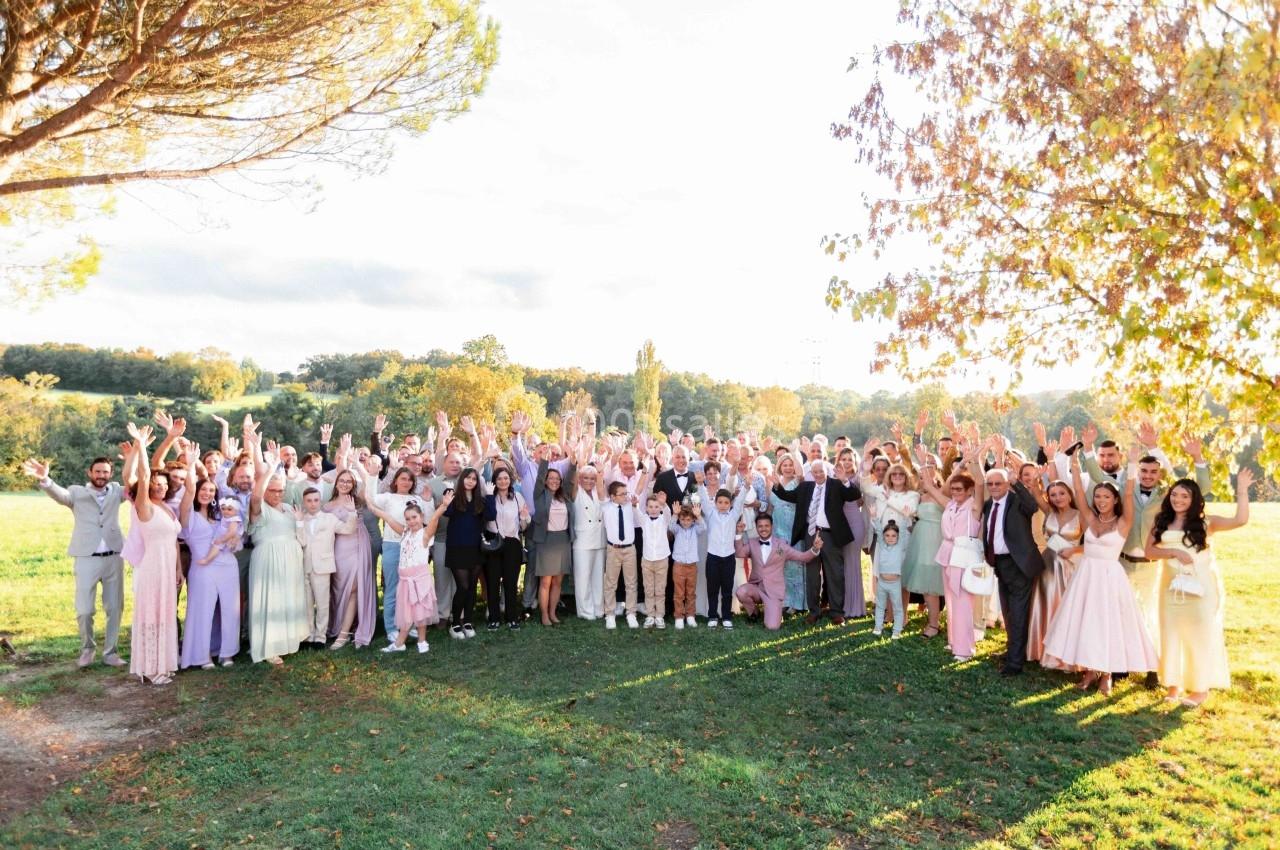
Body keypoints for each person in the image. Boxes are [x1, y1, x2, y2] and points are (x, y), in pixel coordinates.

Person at [1041, 449, 1158, 694]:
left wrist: (1134, 463)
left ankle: (1107, 675)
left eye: (1106, 496)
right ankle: (1089, 672)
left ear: (1114, 500)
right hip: (1086, 576)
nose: (1101, 500)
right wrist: (1074, 463)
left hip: (1109, 578)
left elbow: (1128, 491)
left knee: (1108, 623)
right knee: (1087, 622)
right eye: (1098, 497)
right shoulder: (1091, 519)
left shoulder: (1123, 522)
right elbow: (1078, 493)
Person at [1145, 470, 1252, 707]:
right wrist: (1172, 551)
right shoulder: (1161, 520)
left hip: (1201, 587)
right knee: (1171, 633)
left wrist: (1242, 489)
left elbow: (1240, 520)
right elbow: (1149, 552)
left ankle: (1200, 688)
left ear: (1194, 500)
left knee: (1199, 635)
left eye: (1184, 496)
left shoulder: (1207, 522)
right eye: (1175, 495)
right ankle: (1174, 685)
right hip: (1170, 587)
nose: (1178, 500)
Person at [23, 454, 127, 669]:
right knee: (84, 609)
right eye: (97, 471)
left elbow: (135, 483)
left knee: (115, 607)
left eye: (105, 472)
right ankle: (87, 649)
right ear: (90, 473)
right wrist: (46, 479)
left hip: (114, 557)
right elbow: (60, 495)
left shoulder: (117, 490)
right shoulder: (77, 492)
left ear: (111, 474)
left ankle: (111, 653)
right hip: (86, 557)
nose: (101, 475)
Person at [974, 437, 1046, 677]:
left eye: (998, 483)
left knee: (1018, 613)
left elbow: (1033, 506)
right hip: (1000, 564)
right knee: (1007, 612)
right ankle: (1012, 651)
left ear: (1007, 485)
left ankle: (1015, 663)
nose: (994, 487)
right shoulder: (987, 505)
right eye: (991, 484)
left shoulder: (1017, 501)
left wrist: (1017, 480)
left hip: (1019, 564)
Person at [244, 424, 309, 666]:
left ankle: (287, 640)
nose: (277, 494)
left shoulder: (288, 509)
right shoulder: (260, 510)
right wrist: (268, 464)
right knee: (269, 599)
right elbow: (256, 496)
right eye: (273, 490)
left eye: (281, 491)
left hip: (290, 558)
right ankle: (269, 646)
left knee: (286, 598)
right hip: (268, 558)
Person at [770, 458, 863, 626]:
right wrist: (777, 486)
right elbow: (788, 496)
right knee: (812, 574)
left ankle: (836, 612)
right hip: (811, 534)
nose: (819, 474)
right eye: (815, 472)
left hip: (831, 535)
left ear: (826, 472)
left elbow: (854, 495)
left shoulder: (835, 485)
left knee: (835, 573)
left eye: (821, 471)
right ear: (811, 474)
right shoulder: (806, 487)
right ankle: (814, 611)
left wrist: (844, 480)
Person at [122, 422, 181, 684]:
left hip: (169, 566)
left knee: (166, 613)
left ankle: (164, 664)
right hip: (152, 567)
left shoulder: (168, 509)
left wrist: (179, 569)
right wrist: (140, 447)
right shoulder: (143, 506)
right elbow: (140, 477)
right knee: (152, 613)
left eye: (163, 483)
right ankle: (150, 668)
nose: (160, 486)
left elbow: (175, 541)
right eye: (156, 483)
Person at [178, 447, 241, 669]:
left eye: (211, 491)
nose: (207, 493)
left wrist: (234, 541)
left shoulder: (219, 515)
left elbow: (233, 534)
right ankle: (202, 655)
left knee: (229, 610)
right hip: (202, 568)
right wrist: (192, 466)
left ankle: (227, 652)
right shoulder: (189, 516)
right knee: (202, 611)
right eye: (203, 490)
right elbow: (187, 494)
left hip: (227, 566)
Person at [374, 496, 451, 653]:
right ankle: (400, 642)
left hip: (419, 580)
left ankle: (421, 641)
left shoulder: (425, 535)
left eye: (414, 517)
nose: (411, 521)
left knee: (420, 612)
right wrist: (370, 504)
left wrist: (443, 505)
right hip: (405, 580)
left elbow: (435, 518)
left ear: (421, 517)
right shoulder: (404, 533)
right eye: (408, 519)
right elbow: (387, 518)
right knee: (407, 611)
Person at [925, 453, 983, 661]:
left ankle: (965, 649)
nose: (955, 492)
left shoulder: (974, 507)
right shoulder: (950, 504)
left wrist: (975, 459)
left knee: (963, 603)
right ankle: (954, 641)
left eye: (960, 489)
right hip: (947, 553)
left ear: (969, 491)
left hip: (964, 556)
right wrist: (925, 461)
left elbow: (981, 483)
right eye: (953, 489)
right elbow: (930, 487)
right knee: (951, 600)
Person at [1026, 478, 1083, 667]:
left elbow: (1092, 541)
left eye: (1062, 493)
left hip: (1069, 567)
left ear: (1069, 495)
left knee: (1064, 609)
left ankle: (1064, 658)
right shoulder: (1049, 512)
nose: (1058, 497)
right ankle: (1042, 652)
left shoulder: (1081, 515)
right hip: (1048, 566)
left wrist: (1075, 550)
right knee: (1046, 605)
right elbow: (1035, 493)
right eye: (1053, 495)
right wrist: (1036, 482)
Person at [364, 465, 423, 645]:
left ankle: (409, 625)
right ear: (395, 480)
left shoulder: (416, 499)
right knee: (392, 588)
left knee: (411, 588)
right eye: (403, 478)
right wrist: (372, 476)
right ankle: (391, 627)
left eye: (409, 479)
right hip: (392, 545)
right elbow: (371, 498)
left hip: (413, 548)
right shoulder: (388, 497)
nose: (406, 482)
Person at [734, 514, 821, 630]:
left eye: (766, 526)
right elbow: (739, 553)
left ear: (772, 527)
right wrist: (739, 534)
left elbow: (803, 557)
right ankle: (753, 612)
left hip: (773, 592)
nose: (763, 529)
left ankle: (774, 611)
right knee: (741, 592)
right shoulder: (752, 543)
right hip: (757, 587)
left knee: (772, 627)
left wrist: (815, 548)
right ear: (756, 527)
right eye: (760, 526)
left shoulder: (781, 545)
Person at [297, 487, 358, 646]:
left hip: (323, 565)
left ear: (320, 501)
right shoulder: (300, 519)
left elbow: (348, 529)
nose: (312, 504)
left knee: (323, 603)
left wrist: (352, 513)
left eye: (316, 500)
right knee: (306, 603)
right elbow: (301, 541)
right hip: (304, 565)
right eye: (309, 501)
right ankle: (308, 634)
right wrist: (298, 523)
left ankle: (320, 636)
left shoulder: (329, 518)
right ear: (304, 502)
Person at [325, 468, 376, 650]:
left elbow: (368, 481)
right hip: (338, 548)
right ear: (336, 482)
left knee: (354, 587)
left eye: (349, 481)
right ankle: (336, 625)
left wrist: (356, 463)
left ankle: (344, 633)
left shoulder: (358, 500)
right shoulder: (327, 505)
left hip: (358, 544)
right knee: (338, 588)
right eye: (342, 480)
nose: (345, 484)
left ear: (353, 484)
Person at [443, 467, 494, 639]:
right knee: (463, 586)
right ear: (462, 479)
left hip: (475, 548)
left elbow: (491, 515)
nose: (470, 481)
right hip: (457, 548)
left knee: (472, 586)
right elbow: (447, 512)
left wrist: (491, 495)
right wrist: (446, 500)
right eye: (467, 478)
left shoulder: (480, 500)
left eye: (474, 478)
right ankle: (455, 622)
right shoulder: (454, 496)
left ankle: (468, 621)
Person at [906, 446, 946, 638]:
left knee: (935, 580)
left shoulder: (944, 490)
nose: (926, 470)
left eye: (931, 465)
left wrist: (922, 461)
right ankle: (933, 623)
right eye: (924, 466)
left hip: (936, 539)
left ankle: (938, 623)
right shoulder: (919, 495)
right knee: (926, 582)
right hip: (920, 540)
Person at [484, 466, 530, 631]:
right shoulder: (490, 496)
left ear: (510, 480)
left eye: (506, 478)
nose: (503, 481)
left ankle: (512, 617)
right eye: (499, 479)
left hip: (512, 543)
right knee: (493, 581)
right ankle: (494, 618)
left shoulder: (517, 497)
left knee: (511, 583)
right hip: (494, 543)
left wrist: (524, 517)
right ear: (495, 481)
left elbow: (523, 526)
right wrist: (489, 496)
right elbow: (487, 517)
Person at [531, 462, 575, 627]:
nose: (554, 481)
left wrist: (573, 465)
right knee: (545, 582)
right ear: (546, 480)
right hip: (546, 541)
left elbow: (571, 480)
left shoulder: (565, 496)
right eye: (551, 478)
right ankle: (544, 615)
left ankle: (552, 613)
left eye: (557, 479)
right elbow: (540, 477)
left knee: (557, 582)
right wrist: (544, 461)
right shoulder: (540, 495)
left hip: (563, 540)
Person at [701, 483, 750, 629]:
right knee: (713, 589)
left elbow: (740, 500)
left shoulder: (734, 515)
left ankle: (726, 616)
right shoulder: (711, 514)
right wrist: (699, 485)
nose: (723, 505)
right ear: (715, 503)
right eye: (720, 502)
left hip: (728, 558)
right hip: (713, 557)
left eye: (726, 502)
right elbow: (703, 499)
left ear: (730, 504)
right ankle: (713, 616)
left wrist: (746, 486)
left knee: (727, 589)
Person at [569, 452, 606, 621]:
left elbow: (600, 485)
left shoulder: (599, 492)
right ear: (580, 479)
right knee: (583, 578)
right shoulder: (577, 493)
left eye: (592, 478)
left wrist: (599, 472)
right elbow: (574, 480)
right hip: (582, 541)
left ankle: (598, 609)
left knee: (598, 577)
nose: (589, 481)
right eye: (586, 478)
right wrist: (579, 458)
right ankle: (585, 610)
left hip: (599, 540)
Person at [602, 481, 639, 629]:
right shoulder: (606, 507)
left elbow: (640, 488)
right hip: (613, 549)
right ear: (612, 496)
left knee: (631, 582)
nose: (625, 496)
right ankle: (610, 614)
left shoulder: (630, 506)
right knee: (610, 583)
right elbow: (599, 490)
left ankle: (631, 613)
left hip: (630, 549)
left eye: (626, 493)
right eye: (622, 494)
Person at [636, 495, 672, 629]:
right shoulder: (644, 520)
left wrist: (664, 504)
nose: (653, 509)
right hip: (647, 560)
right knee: (649, 589)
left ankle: (659, 616)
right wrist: (635, 505)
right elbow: (637, 512)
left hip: (662, 559)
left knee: (660, 589)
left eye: (656, 507)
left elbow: (668, 513)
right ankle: (650, 615)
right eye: (650, 507)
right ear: (646, 508)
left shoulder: (664, 519)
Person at [668, 505, 705, 629]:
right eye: (683, 519)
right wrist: (675, 514)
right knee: (679, 593)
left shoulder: (695, 529)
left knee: (690, 592)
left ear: (693, 520)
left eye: (688, 520)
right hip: (678, 565)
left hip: (692, 566)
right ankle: (679, 616)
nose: (685, 522)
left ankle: (690, 616)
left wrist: (698, 515)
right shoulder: (677, 529)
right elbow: (670, 527)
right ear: (680, 519)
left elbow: (703, 527)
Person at [872, 520, 906, 638]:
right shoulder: (882, 545)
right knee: (880, 606)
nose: (890, 538)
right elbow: (878, 529)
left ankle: (896, 630)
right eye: (887, 535)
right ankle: (878, 626)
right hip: (882, 583)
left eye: (893, 535)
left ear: (897, 537)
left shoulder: (899, 546)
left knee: (897, 607)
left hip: (895, 584)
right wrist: (874, 516)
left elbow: (903, 531)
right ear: (883, 536)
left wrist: (905, 519)